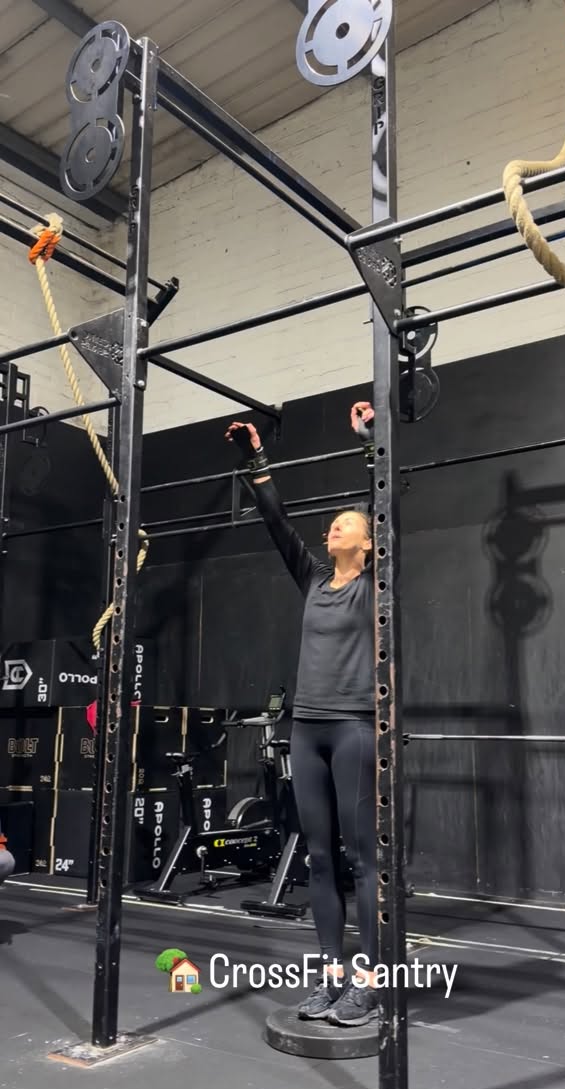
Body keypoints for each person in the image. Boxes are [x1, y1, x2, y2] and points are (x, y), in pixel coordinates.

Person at [226, 402, 379, 1027]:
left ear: (368, 543)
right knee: (318, 855)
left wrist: (372, 442)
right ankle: (330, 976)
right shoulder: (314, 581)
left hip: (354, 727)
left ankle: (369, 980)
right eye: (332, 526)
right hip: (307, 727)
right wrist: (256, 462)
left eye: (345, 525)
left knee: (364, 853)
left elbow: (389, 504)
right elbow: (277, 523)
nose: (331, 530)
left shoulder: (378, 582)